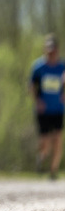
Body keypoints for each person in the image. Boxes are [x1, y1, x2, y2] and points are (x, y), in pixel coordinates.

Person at [30, 35, 65, 180]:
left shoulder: (62, 67)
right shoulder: (38, 67)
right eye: (48, 50)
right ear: (45, 50)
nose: (51, 52)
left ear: (56, 50)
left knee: (57, 139)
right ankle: (41, 157)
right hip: (43, 110)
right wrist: (37, 101)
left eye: (53, 50)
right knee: (45, 143)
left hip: (58, 109)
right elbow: (32, 86)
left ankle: (53, 171)